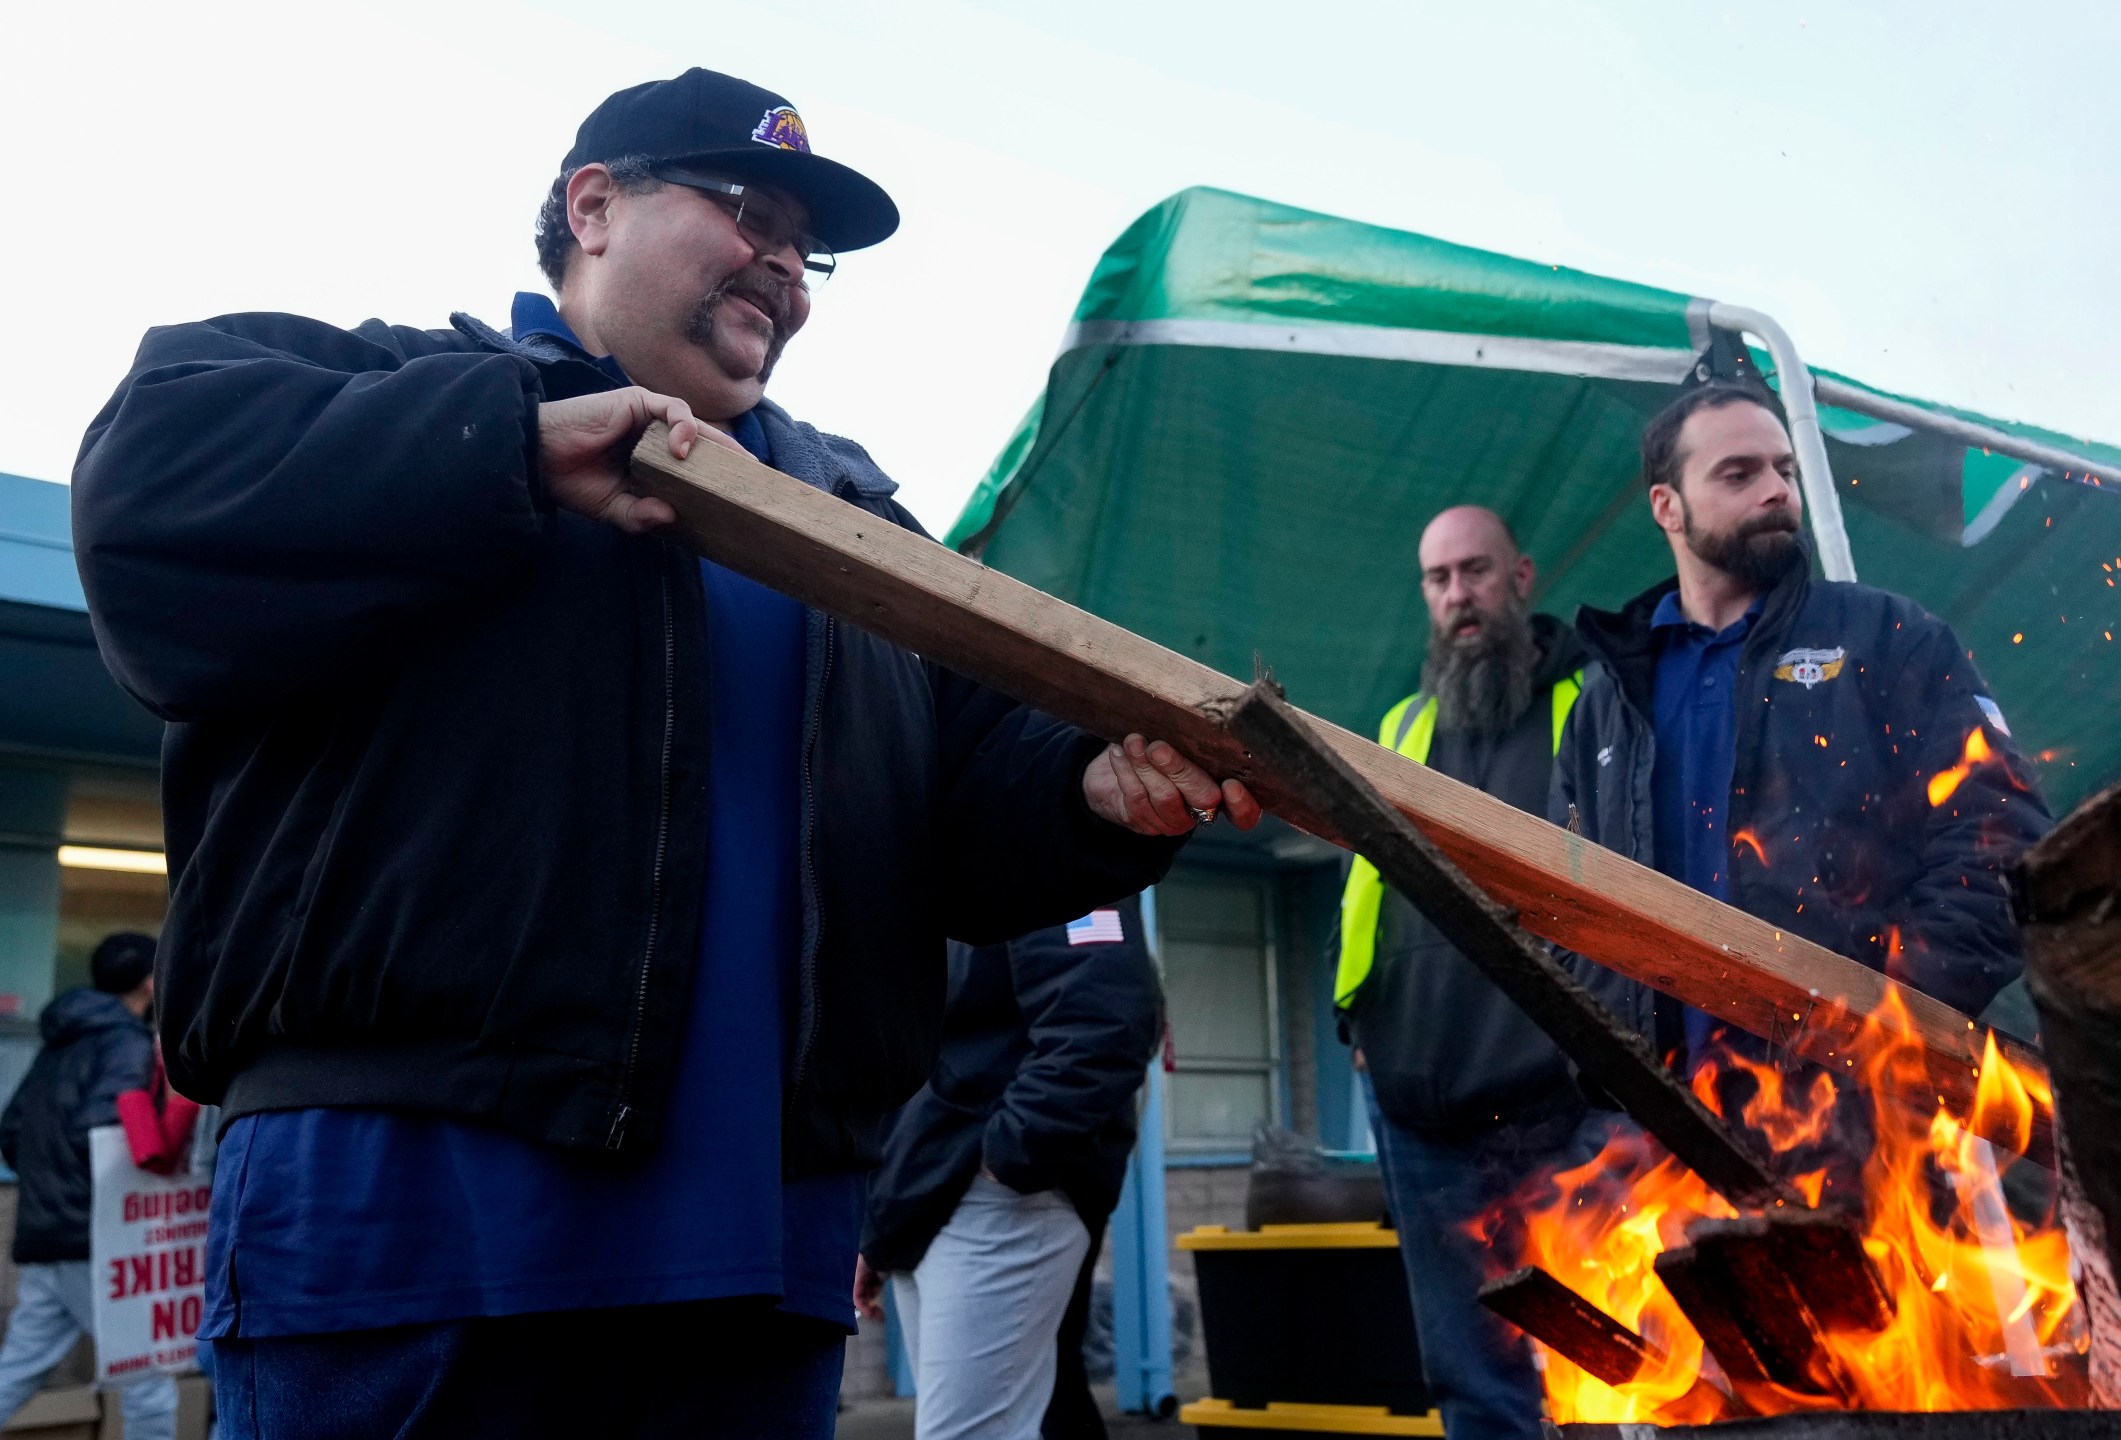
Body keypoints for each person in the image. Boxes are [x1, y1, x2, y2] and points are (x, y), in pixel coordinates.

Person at [70, 69, 1259, 1439]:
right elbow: (144, 502)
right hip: (411, 1234)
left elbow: (965, 811)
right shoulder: (398, 391)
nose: (785, 268)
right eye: (747, 208)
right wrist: (505, 450)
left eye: (806, 252)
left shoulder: (859, 526)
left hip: (762, 1264)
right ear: (592, 206)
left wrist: (1092, 790)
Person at [1551, 378, 2051, 1080]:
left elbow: (2002, 835)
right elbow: (1559, 894)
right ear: (1666, 506)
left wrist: (1896, 1011)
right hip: (1662, 1128)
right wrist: (1610, 1042)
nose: (1777, 490)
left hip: (1860, 1118)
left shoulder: (1888, 637)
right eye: (1739, 473)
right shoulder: (1605, 702)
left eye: (1785, 469)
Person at [1332, 506, 1599, 1440]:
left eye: (1475, 573)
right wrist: (1352, 1018)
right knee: (1471, 1379)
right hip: (1420, 1112)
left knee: (1595, 1370)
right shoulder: (1401, 724)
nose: (1459, 597)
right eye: (1439, 580)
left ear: (1522, 576)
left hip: (1560, 1108)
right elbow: (1365, 884)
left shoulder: (1593, 705)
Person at [856, 898, 1159, 1440]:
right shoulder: (939, 879)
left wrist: (1007, 1162)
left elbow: (1105, 1023)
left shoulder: (1059, 867)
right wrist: (880, 1234)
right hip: (928, 1203)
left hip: (997, 1199)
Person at [0, 933, 178, 1440]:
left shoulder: (62, 1041)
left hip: (47, 1231)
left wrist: (49, 1186)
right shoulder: (126, 1041)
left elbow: (11, 1130)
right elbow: (108, 1128)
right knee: (148, 1381)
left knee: (19, 1368)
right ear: (150, 982)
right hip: (95, 1237)